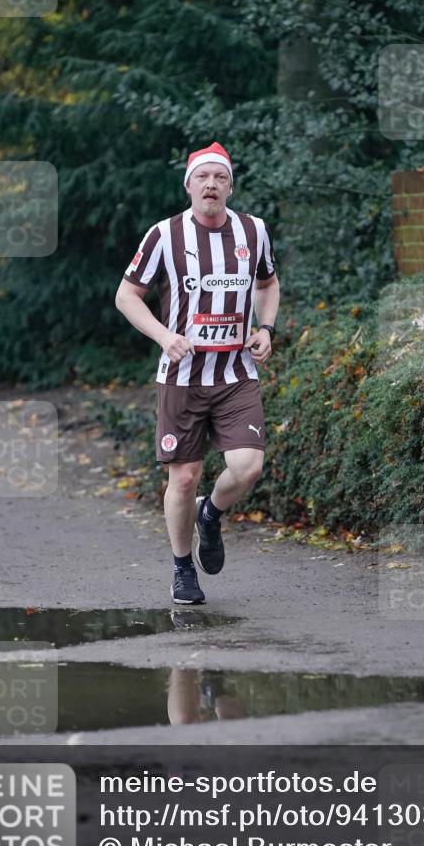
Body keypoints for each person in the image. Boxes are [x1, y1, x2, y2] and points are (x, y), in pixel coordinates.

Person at [115, 142, 280, 605]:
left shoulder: (255, 231)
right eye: (203, 177)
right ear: (189, 185)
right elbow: (127, 296)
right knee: (183, 477)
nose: (211, 185)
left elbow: (267, 283)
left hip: (235, 372)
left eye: (220, 178)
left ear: (230, 185)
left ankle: (211, 512)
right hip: (182, 375)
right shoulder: (164, 235)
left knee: (247, 467)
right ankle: (183, 567)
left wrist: (265, 327)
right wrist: (165, 336)